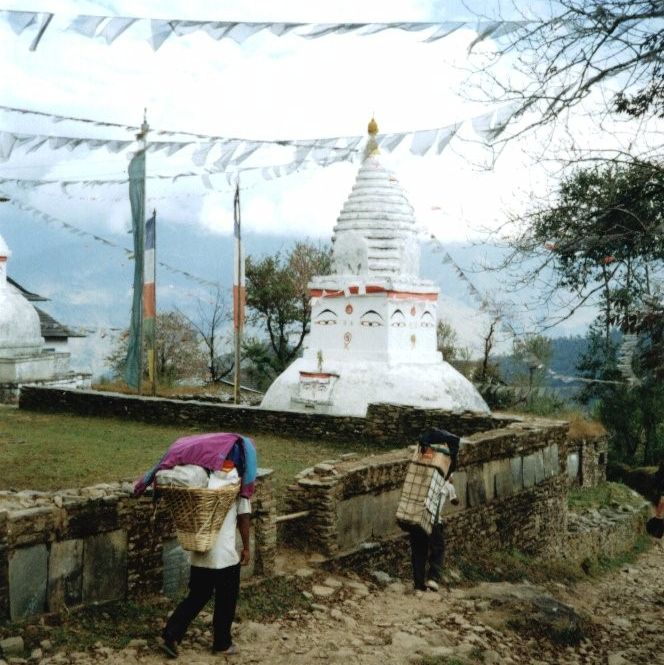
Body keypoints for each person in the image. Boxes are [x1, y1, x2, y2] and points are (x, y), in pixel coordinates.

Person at [161, 461, 251, 658]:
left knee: (197, 596)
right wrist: (246, 547)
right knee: (226, 600)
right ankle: (222, 643)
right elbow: (244, 519)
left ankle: (172, 634)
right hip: (225, 556)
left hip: (200, 551)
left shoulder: (204, 480)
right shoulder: (237, 486)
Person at [409, 428, 460, 592]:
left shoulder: (419, 472)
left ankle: (418, 584)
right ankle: (432, 578)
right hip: (433, 521)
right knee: (438, 549)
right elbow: (455, 501)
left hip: (415, 515)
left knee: (419, 551)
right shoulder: (445, 484)